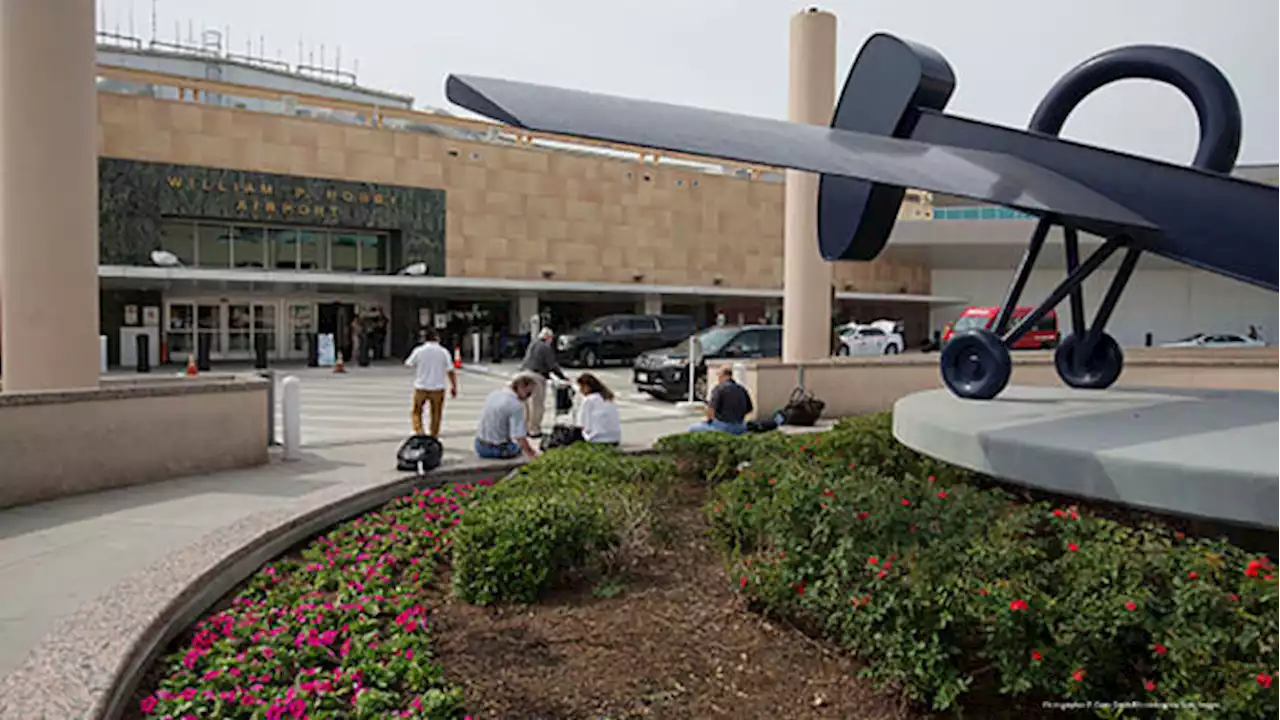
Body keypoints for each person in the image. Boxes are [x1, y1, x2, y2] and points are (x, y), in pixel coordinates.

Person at [404, 329, 458, 437]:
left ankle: (419, 431)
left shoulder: (419, 350)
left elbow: (408, 363)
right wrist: (454, 386)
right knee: (436, 413)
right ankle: (434, 434)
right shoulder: (443, 352)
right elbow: (450, 370)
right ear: (437, 338)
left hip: (421, 386)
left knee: (416, 411)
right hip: (438, 387)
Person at [475, 373, 541, 460]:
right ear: (521, 387)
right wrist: (532, 454)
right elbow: (519, 437)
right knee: (520, 449)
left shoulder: (494, 394)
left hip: (479, 445)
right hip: (495, 449)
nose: (528, 398)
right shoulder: (515, 405)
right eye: (528, 394)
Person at [518, 327, 568, 439]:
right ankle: (534, 430)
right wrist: (563, 377)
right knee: (537, 405)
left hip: (523, 374)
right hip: (536, 376)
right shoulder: (545, 347)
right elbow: (552, 365)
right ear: (548, 337)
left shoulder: (533, 344)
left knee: (526, 405)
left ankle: (525, 429)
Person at [689, 365, 753, 435]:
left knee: (693, 428)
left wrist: (709, 419)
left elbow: (711, 410)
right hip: (740, 426)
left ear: (725, 376)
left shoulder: (719, 389)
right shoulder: (742, 389)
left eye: (719, 375)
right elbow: (749, 408)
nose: (718, 378)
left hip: (723, 426)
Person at [576, 372, 622, 445]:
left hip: (597, 439)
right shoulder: (608, 397)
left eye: (581, 387)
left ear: (588, 387)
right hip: (615, 438)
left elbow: (584, 425)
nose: (580, 390)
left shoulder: (588, 400)